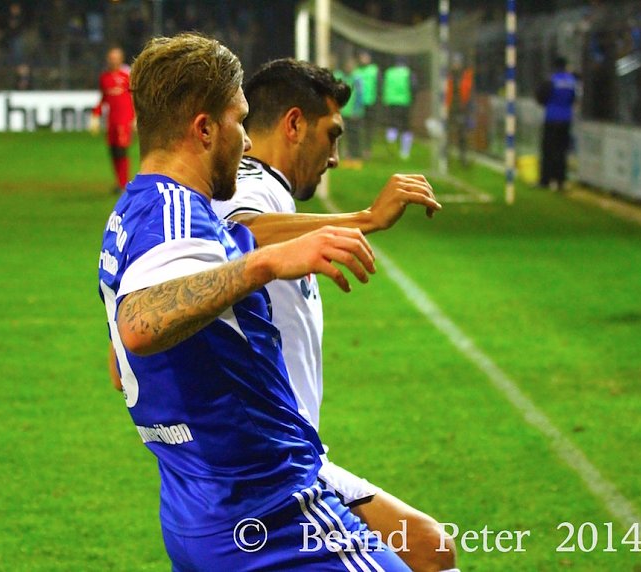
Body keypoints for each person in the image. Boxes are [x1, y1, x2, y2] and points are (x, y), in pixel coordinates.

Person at [98, 33, 410, 571]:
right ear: (204, 129)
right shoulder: (174, 214)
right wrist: (265, 265)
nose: (246, 143)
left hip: (200, 507)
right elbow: (139, 324)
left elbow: (120, 365)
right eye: (239, 122)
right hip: (270, 508)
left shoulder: (131, 216)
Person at [211, 58, 457, 572]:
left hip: (286, 456)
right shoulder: (250, 185)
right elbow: (234, 234)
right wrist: (366, 219)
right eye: (332, 136)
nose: (336, 158)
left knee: (430, 549)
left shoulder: (268, 191)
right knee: (431, 552)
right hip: (269, 469)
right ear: (294, 124)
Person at [90, 46, 135, 194]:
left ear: (121, 59)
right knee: (114, 152)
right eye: (111, 58)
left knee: (122, 152)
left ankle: (124, 184)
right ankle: (119, 182)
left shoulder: (127, 75)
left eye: (115, 58)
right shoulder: (105, 77)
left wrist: (136, 117)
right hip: (111, 121)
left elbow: (135, 97)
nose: (113, 60)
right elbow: (103, 98)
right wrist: (95, 115)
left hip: (124, 120)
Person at [537, 56, 577, 191]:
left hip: (552, 118)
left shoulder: (552, 80)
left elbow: (541, 98)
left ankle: (545, 180)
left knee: (548, 150)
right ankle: (560, 182)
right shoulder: (571, 81)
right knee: (561, 151)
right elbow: (573, 99)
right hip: (566, 119)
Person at [382, 56, 415, 159]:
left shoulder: (389, 72)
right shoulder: (408, 73)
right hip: (405, 102)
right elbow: (414, 86)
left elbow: (383, 86)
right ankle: (404, 152)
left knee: (392, 124)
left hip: (391, 102)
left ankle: (391, 145)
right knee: (405, 127)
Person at [445, 52, 474, 167]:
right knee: (448, 133)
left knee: (462, 134)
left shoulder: (466, 75)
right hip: (451, 108)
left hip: (462, 108)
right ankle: (446, 159)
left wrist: (469, 108)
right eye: (454, 63)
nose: (456, 65)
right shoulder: (449, 76)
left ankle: (463, 158)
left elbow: (469, 92)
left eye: (458, 63)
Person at [357, 51, 380, 159]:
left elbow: (379, 85)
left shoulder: (374, 70)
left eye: (365, 57)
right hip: (358, 105)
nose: (363, 59)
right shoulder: (357, 71)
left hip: (370, 103)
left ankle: (367, 149)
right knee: (357, 128)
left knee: (368, 128)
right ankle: (357, 150)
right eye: (362, 57)